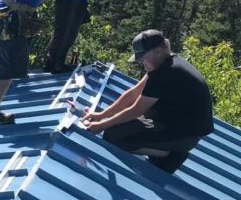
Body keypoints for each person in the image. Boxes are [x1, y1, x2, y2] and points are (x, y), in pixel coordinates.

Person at [80, 29, 214, 173]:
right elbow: (133, 94)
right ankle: (164, 148)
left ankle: (170, 154)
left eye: (143, 57)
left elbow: (136, 110)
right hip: (173, 122)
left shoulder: (166, 72)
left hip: (185, 135)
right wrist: (101, 115)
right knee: (117, 126)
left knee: (113, 136)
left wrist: (101, 125)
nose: (140, 61)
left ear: (158, 50)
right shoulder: (165, 63)